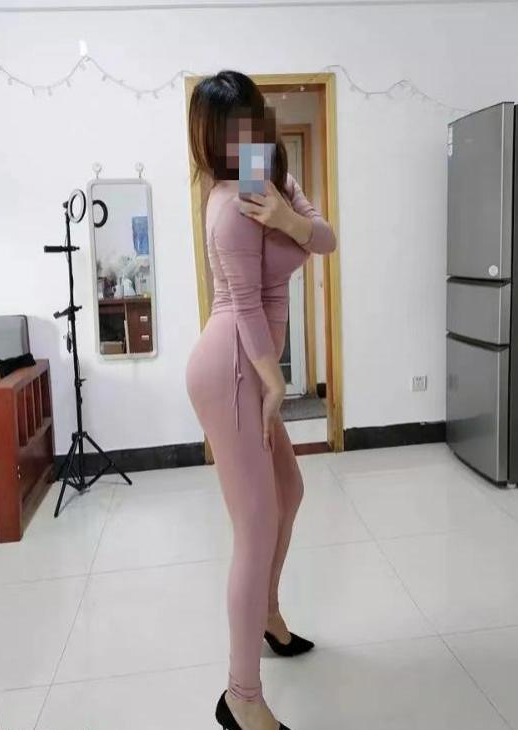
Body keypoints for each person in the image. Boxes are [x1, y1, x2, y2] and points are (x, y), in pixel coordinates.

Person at [185, 70, 337, 730]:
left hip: (252, 365)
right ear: (207, 136)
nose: (239, 138)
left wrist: (285, 216)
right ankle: (240, 697)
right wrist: (276, 382)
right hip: (234, 367)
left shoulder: (270, 180)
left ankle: (269, 615)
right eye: (225, 129)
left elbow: (326, 237)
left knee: (289, 493)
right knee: (256, 525)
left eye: (247, 121)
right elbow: (246, 303)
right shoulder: (225, 204)